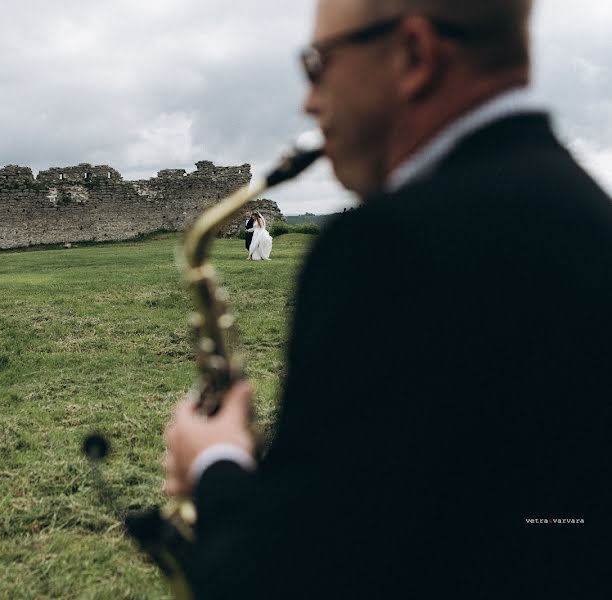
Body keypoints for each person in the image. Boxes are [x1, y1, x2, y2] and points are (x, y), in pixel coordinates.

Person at [163, 1, 612, 598]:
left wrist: (216, 465)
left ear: (415, 55)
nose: (307, 100)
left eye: (318, 63)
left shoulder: (385, 248)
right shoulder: (587, 215)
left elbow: (296, 575)